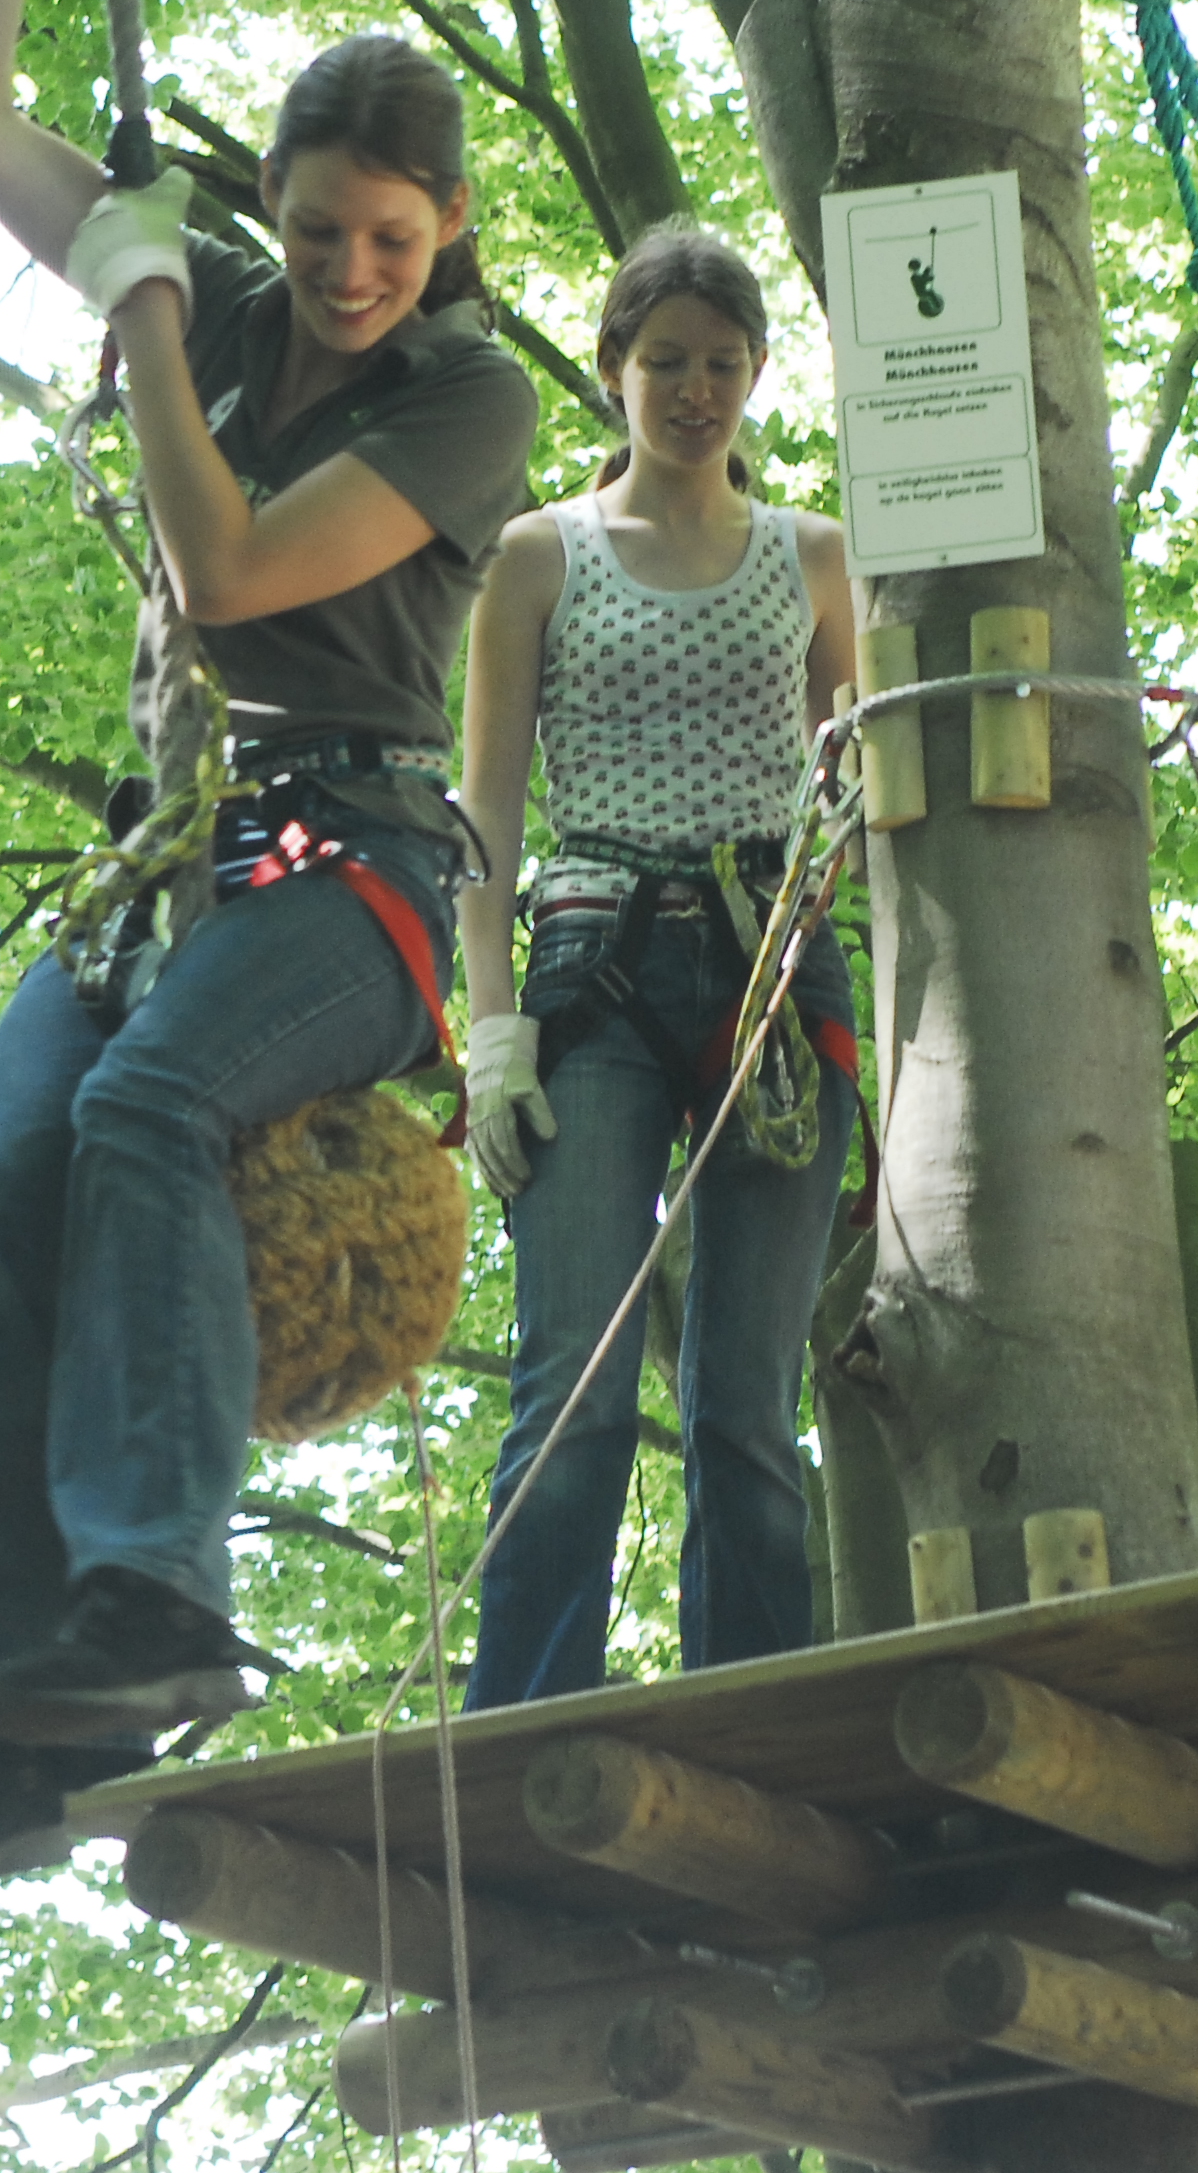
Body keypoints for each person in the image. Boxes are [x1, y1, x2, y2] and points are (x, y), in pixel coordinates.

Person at [0, 0, 537, 1896]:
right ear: (277, 202)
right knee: (2, 1192)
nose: (348, 276)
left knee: (149, 1112)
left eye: (390, 245)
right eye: (320, 233)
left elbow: (231, 580)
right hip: (170, 867)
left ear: (441, 242)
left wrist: (145, 313)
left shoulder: (466, 395)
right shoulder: (223, 287)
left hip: (357, 868)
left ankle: (156, 1589)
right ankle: (6, 1716)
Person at [454, 227, 860, 1708]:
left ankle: (756, 1723)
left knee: (748, 1408)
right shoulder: (538, 557)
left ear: (757, 374)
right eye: (666, 362)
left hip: (778, 971)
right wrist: (488, 1030)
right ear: (617, 367)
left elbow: (862, 799)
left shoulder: (816, 560)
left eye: (723, 365)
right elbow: (484, 811)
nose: (695, 392)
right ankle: (520, 1719)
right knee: (574, 1386)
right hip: (592, 970)